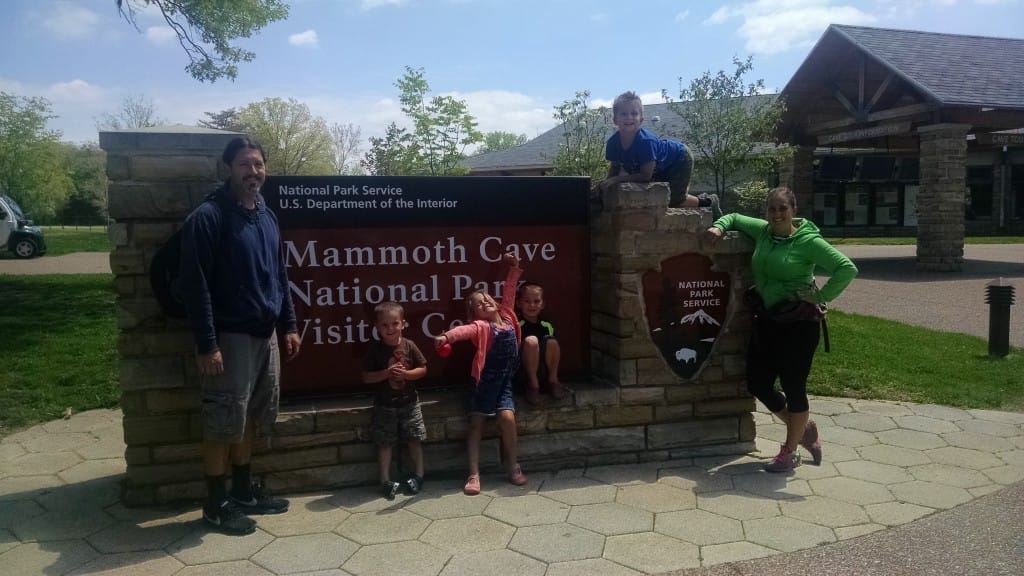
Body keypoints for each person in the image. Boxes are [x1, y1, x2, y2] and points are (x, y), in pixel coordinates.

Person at [179, 136, 302, 535]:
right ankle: (215, 505)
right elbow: (194, 285)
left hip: (264, 335)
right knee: (222, 420)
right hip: (228, 339)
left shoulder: (266, 216)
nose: (253, 172)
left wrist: (289, 324)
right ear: (228, 169)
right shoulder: (209, 217)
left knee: (249, 415)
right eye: (244, 165)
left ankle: (244, 491)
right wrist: (207, 343)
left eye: (259, 164)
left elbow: (279, 275)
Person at [704, 187, 857, 472]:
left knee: (793, 386)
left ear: (793, 210)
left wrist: (820, 296)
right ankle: (803, 430)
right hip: (768, 320)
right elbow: (735, 217)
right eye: (772, 208)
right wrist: (718, 226)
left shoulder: (808, 241)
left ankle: (789, 451)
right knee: (758, 382)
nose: (777, 214)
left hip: (799, 325)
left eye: (782, 208)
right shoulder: (763, 232)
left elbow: (846, 268)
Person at [434, 253, 527, 495]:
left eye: (487, 298)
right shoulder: (480, 327)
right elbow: (462, 331)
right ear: (474, 313)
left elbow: (509, 289)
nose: (484, 302)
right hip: (484, 383)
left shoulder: (507, 316)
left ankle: (512, 465)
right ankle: (473, 473)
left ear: (495, 302)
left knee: (507, 419)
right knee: (476, 424)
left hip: (505, 382)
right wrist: (446, 337)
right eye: (478, 303)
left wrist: (514, 268)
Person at [598, 91, 721, 217]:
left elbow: (645, 176)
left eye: (634, 113)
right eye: (623, 113)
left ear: (641, 119)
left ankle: (709, 202)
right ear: (615, 119)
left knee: (672, 200)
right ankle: (697, 199)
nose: (629, 117)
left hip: (679, 158)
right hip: (659, 166)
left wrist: (617, 179)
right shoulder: (613, 143)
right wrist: (605, 186)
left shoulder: (646, 142)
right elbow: (615, 168)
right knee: (657, 198)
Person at [362, 301, 428, 500]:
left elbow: (423, 369)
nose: (390, 329)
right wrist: (386, 373)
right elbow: (366, 377)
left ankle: (419, 475)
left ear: (403, 324)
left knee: (414, 439)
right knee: (385, 443)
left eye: (395, 324)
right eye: (385, 325)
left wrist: (406, 375)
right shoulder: (374, 350)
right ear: (377, 327)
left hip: (410, 403)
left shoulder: (409, 345)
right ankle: (385, 480)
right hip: (385, 405)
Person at [517, 282, 566, 404]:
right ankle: (533, 387)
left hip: (542, 370)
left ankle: (553, 381)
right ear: (519, 303)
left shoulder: (546, 325)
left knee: (551, 341)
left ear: (542, 304)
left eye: (536, 301)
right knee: (531, 341)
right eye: (527, 301)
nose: (532, 305)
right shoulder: (516, 324)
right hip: (524, 372)